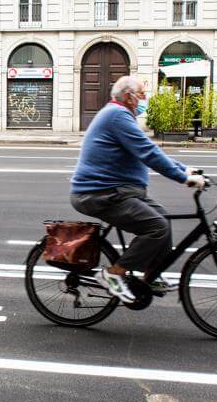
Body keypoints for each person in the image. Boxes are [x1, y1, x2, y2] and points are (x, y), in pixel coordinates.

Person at [70, 76, 205, 304]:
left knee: (162, 218)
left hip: (118, 191)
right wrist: (182, 178)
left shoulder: (121, 116)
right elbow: (148, 154)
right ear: (129, 97)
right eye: (142, 94)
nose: (145, 99)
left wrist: (186, 169)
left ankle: (150, 276)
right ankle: (113, 274)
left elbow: (149, 149)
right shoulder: (117, 116)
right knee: (157, 227)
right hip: (100, 193)